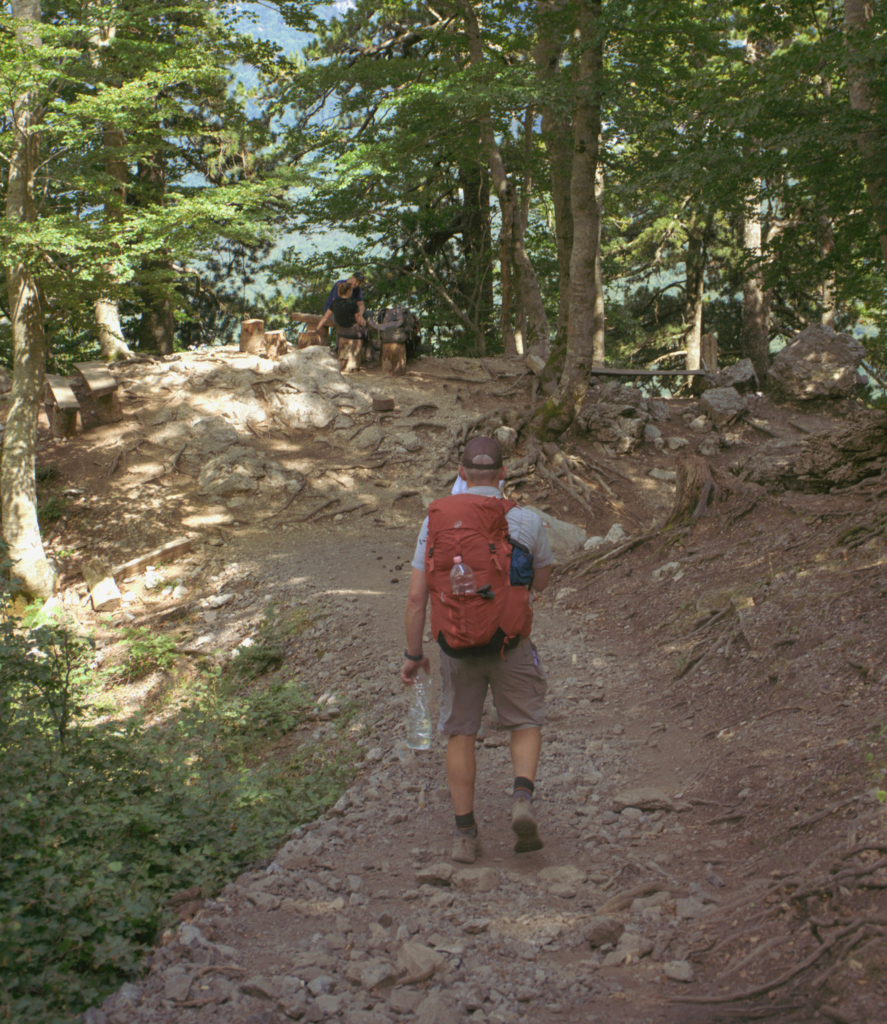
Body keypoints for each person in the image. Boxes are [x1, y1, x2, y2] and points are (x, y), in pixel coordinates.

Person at [400, 436, 553, 864]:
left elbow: (416, 598)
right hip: (510, 642)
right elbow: (540, 584)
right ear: (504, 474)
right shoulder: (527, 520)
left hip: (456, 645)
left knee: (460, 730)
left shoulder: (435, 522)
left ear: (462, 474)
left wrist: (414, 656)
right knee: (524, 719)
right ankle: (521, 797)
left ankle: (464, 835)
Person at [316, 281, 366, 372]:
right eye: (351, 291)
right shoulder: (352, 304)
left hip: (340, 332)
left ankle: (339, 352)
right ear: (348, 292)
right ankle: (368, 356)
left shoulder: (334, 303)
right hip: (351, 332)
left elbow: (325, 317)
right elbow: (359, 321)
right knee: (366, 333)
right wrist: (363, 322)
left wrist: (316, 329)